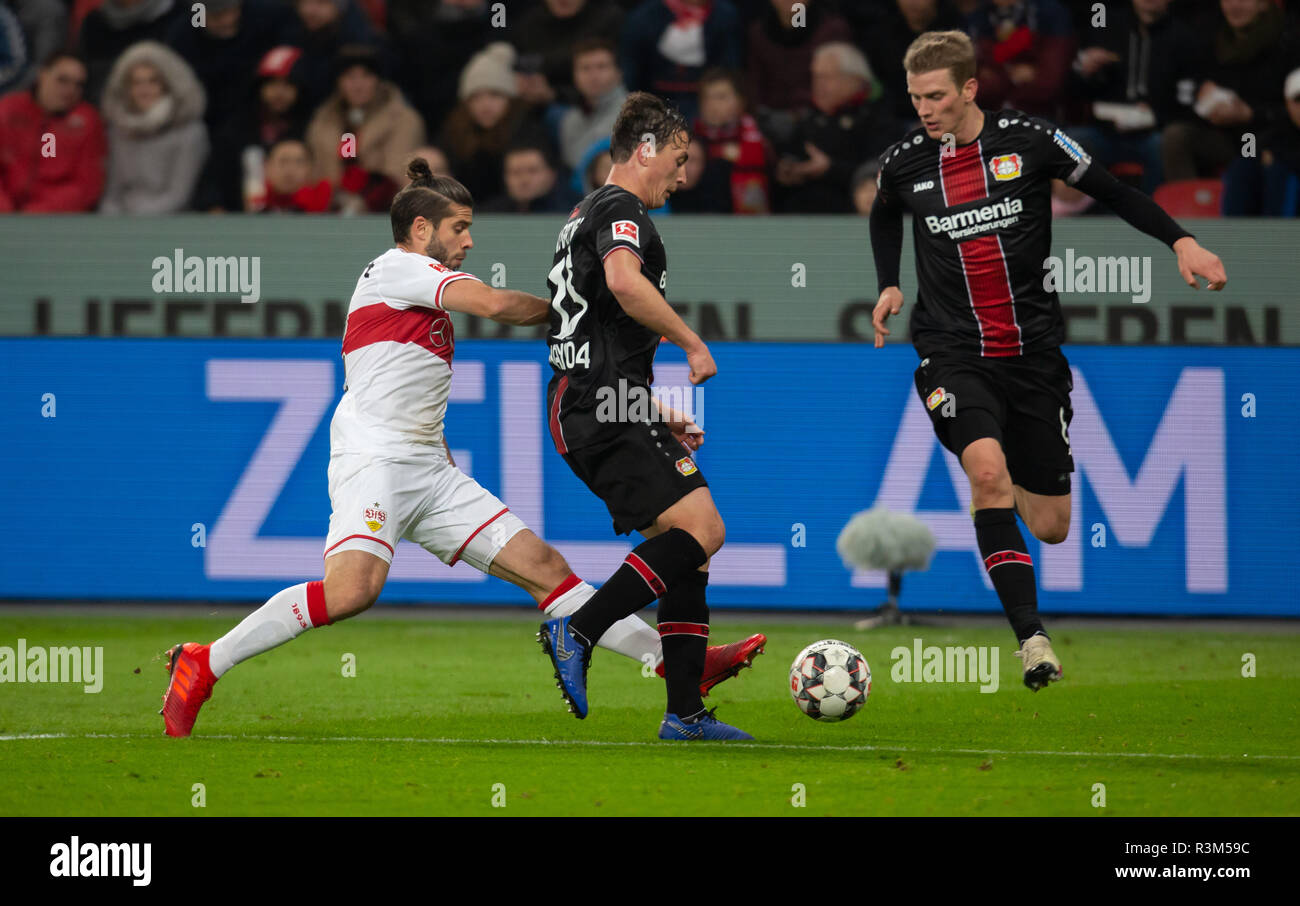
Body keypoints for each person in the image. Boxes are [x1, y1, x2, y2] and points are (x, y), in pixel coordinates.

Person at [160, 156, 761, 737]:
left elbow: (412, 378)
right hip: (374, 461)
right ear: (420, 230)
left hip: (428, 469)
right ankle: (203, 662)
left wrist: (640, 398)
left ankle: (675, 660)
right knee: (352, 592)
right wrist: (569, 313)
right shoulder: (394, 268)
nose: (468, 241)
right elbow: (498, 304)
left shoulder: (422, 286)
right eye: (459, 228)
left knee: (546, 570)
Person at [868, 31, 1227, 689]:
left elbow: (1116, 192)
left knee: (1051, 525)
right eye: (917, 96)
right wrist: (889, 280)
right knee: (985, 474)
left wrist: (1182, 242)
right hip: (951, 353)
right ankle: (1031, 639)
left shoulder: (1030, 141)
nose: (925, 108)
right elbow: (884, 211)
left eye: (937, 96)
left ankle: (1014, 543)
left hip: (1032, 358)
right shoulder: (905, 163)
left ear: (970, 88)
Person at [539, 92, 765, 741]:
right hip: (595, 402)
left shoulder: (585, 211)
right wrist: (693, 343)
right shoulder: (620, 206)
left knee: (686, 550)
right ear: (646, 149)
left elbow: (596, 327)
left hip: (599, 399)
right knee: (704, 528)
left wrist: (653, 407)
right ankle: (577, 629)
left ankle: (685, 713)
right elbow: (623, 283)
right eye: (679, 157)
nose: (684, 174)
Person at [98, 41, 208, 214]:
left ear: (168, 85)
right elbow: (112, 193)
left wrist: (134, 223)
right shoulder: (117, 131)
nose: (144, 90)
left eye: (153, 81)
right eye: (136, 83)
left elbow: (178, 196)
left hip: (171, 223)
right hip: (122, 222)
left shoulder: (190, 132)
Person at [0, 50, 106, 212]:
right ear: (42, 75)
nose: (70, 90)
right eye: (62, 80)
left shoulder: (87, 121)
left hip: (56, 220)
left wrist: (40, 211)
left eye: (78, 84)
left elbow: (87, 185)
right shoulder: (8, 110)